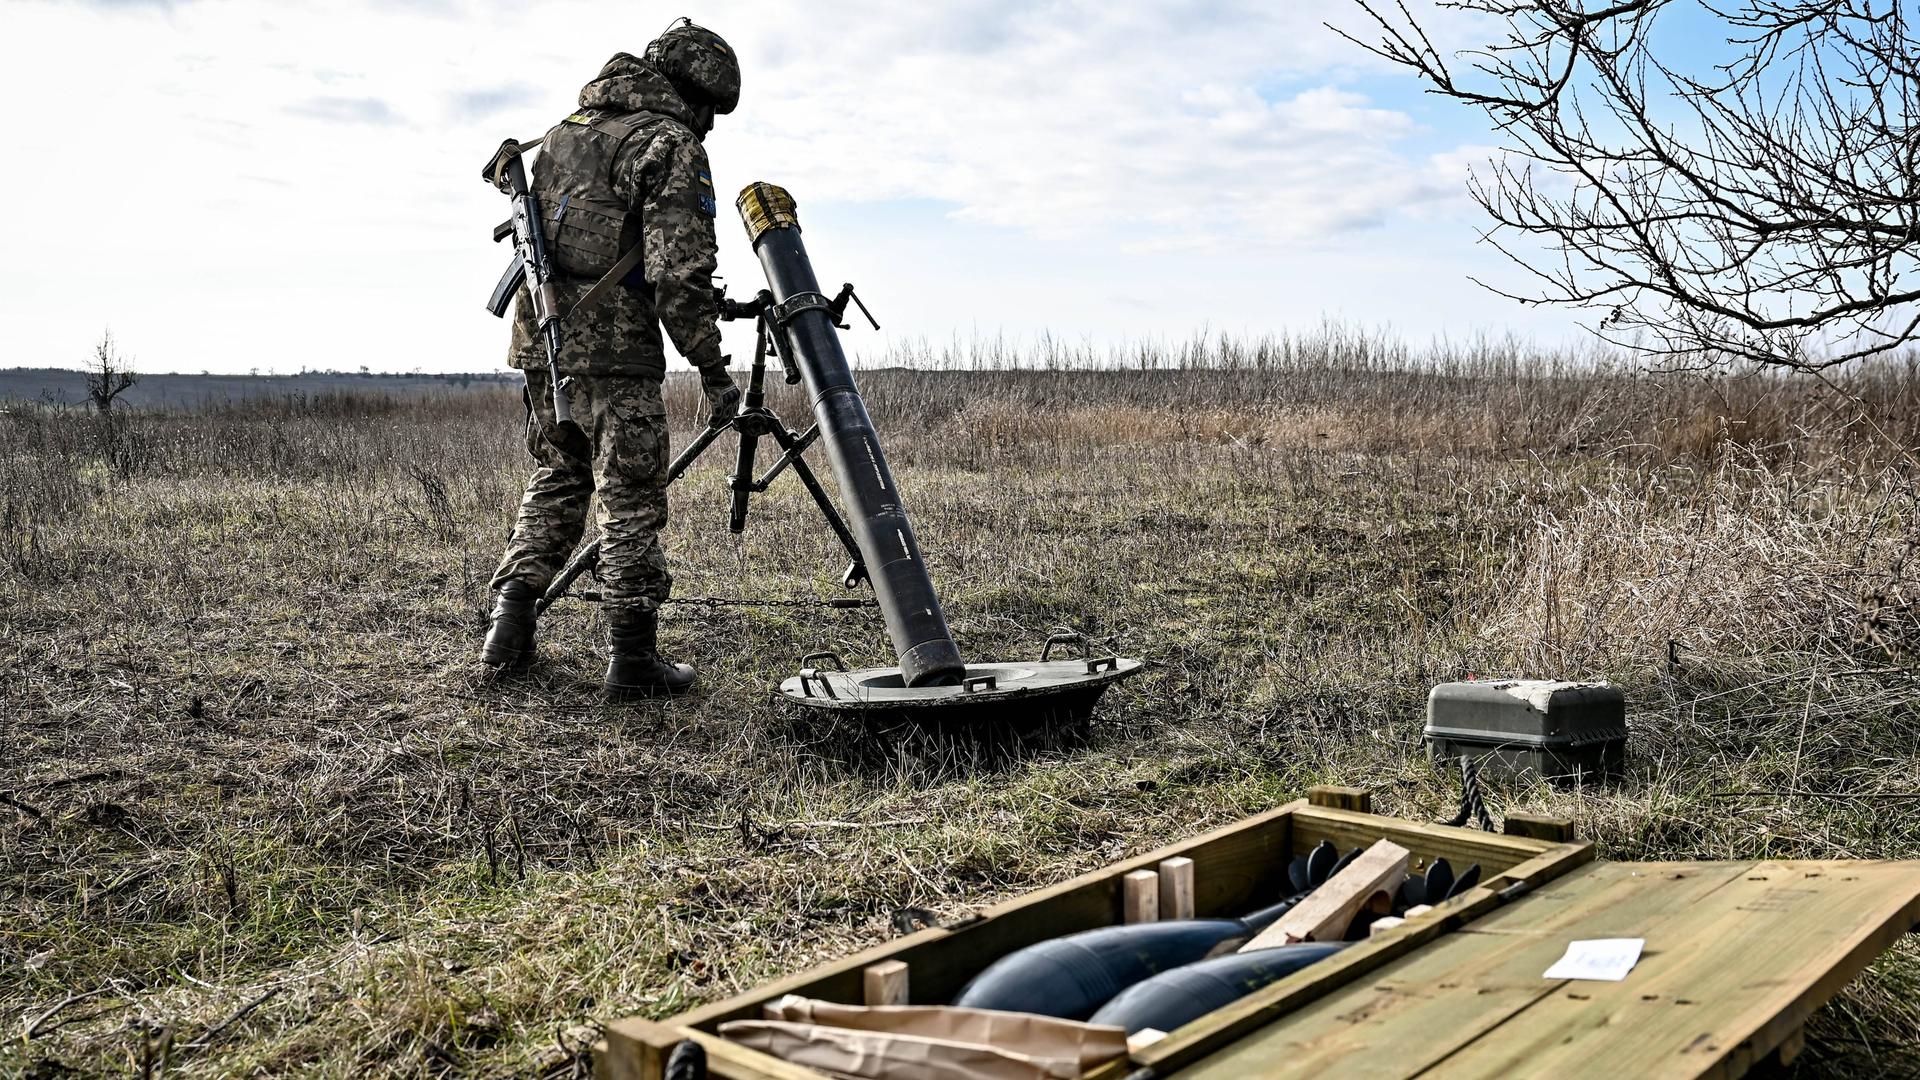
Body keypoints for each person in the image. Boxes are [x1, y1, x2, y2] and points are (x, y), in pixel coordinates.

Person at [479, 19, 742, 700]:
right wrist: (714, 370)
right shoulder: (668, 142)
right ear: (696, 93)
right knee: (628, 501)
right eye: (711, 109)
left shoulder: (565, 132)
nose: (709, 125)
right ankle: (632, 662)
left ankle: (507, 632)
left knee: (559, 476)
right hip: (616, 354)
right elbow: (678, 274)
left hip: (542, 342)